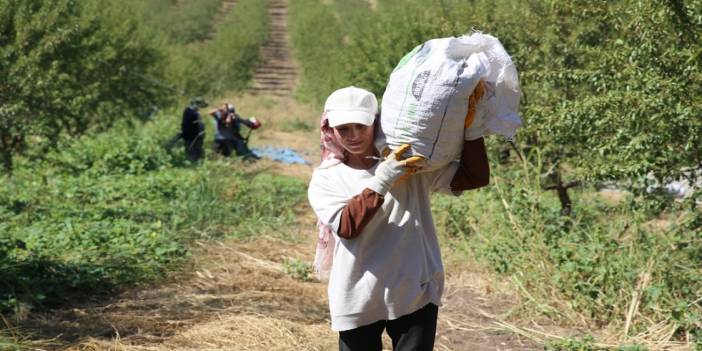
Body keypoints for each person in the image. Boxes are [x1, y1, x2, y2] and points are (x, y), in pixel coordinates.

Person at [307, 86, 490, 351]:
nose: (354, 135)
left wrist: (473, 129)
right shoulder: (327, 178)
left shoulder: (409, 166)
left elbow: (474, 178)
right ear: (330, 130)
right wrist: (383, 178)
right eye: (344, 128)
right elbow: (347, 226)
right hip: (358, 294)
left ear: (376, 123)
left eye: (361, 125)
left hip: (414, 289)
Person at [180, 97, 208, 161]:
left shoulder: (193, 111)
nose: (199, 108)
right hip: (191, 136)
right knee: (191, 152)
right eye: (199, 105)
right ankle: (191, 165)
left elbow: (205, 105)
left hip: (196, 136)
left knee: (198, 151)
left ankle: (197, 164)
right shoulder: (189, 111)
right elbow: (191, 124)